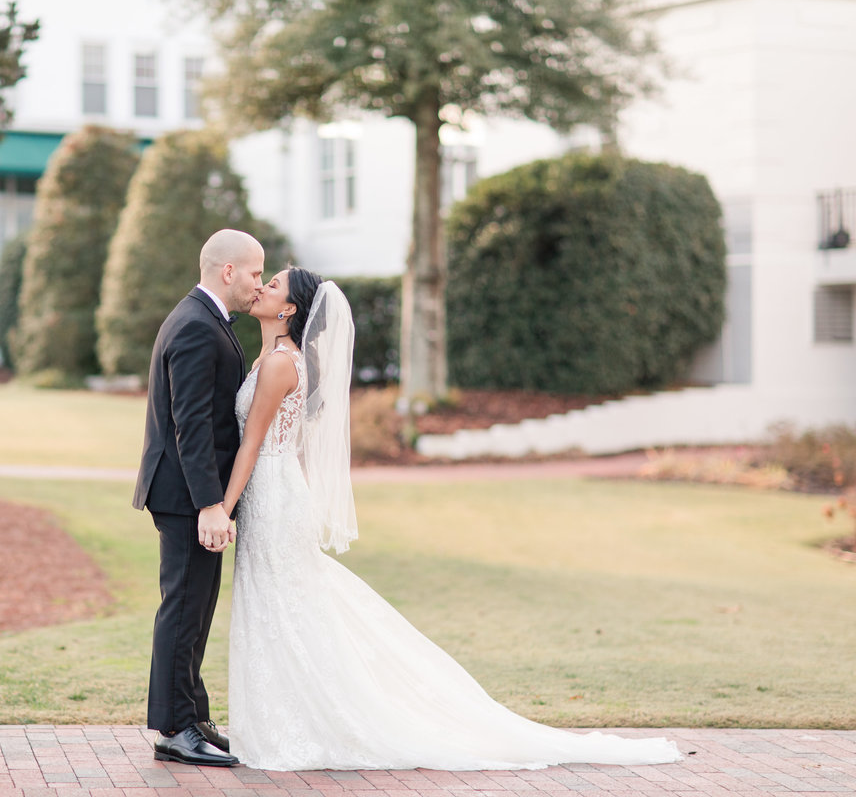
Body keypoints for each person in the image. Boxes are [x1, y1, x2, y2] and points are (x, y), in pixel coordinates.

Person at [220, 267, 683, 772]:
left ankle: (309, 723)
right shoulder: (272, 358)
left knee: (283, 605)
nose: (262, 287)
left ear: (289, 309)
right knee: (280, 605)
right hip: (277, 491)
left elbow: (253, 444)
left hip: (273, 495)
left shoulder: (279, 365)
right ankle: (286, 719)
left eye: (274, 284)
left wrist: (221, 509)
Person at [133, 229, 265, 768]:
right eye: (255, 272)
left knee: (197, 607)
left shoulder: (206, 318)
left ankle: (193, 715)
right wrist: (211, 504)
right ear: (228, 271)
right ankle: (172, 729)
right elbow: (190, 425)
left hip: (191, 493)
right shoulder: (193, 324)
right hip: (186, 495)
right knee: (184, 607)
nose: (259, 283)